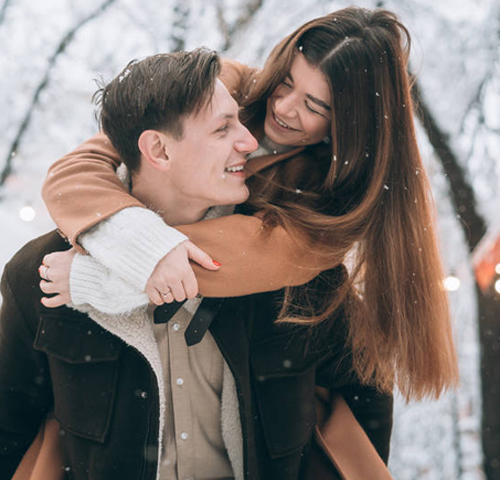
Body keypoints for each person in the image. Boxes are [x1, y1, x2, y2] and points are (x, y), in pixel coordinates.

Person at [0, 48, 392, 480]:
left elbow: (366, 388)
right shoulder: (40, 274)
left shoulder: (297, 273)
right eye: (224, 129)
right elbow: (10, 425)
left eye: (240, 122)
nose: (250, 142)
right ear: (159, 150)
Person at [40, 6, 458, 400]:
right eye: (286, 83)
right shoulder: (226, 88)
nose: (284, 108)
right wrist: (135, 241)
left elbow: (253, 255)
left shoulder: (335, 199)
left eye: (314, 106)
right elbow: (80, 169)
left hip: (254, 362)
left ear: (349, 125)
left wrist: (106, 277)